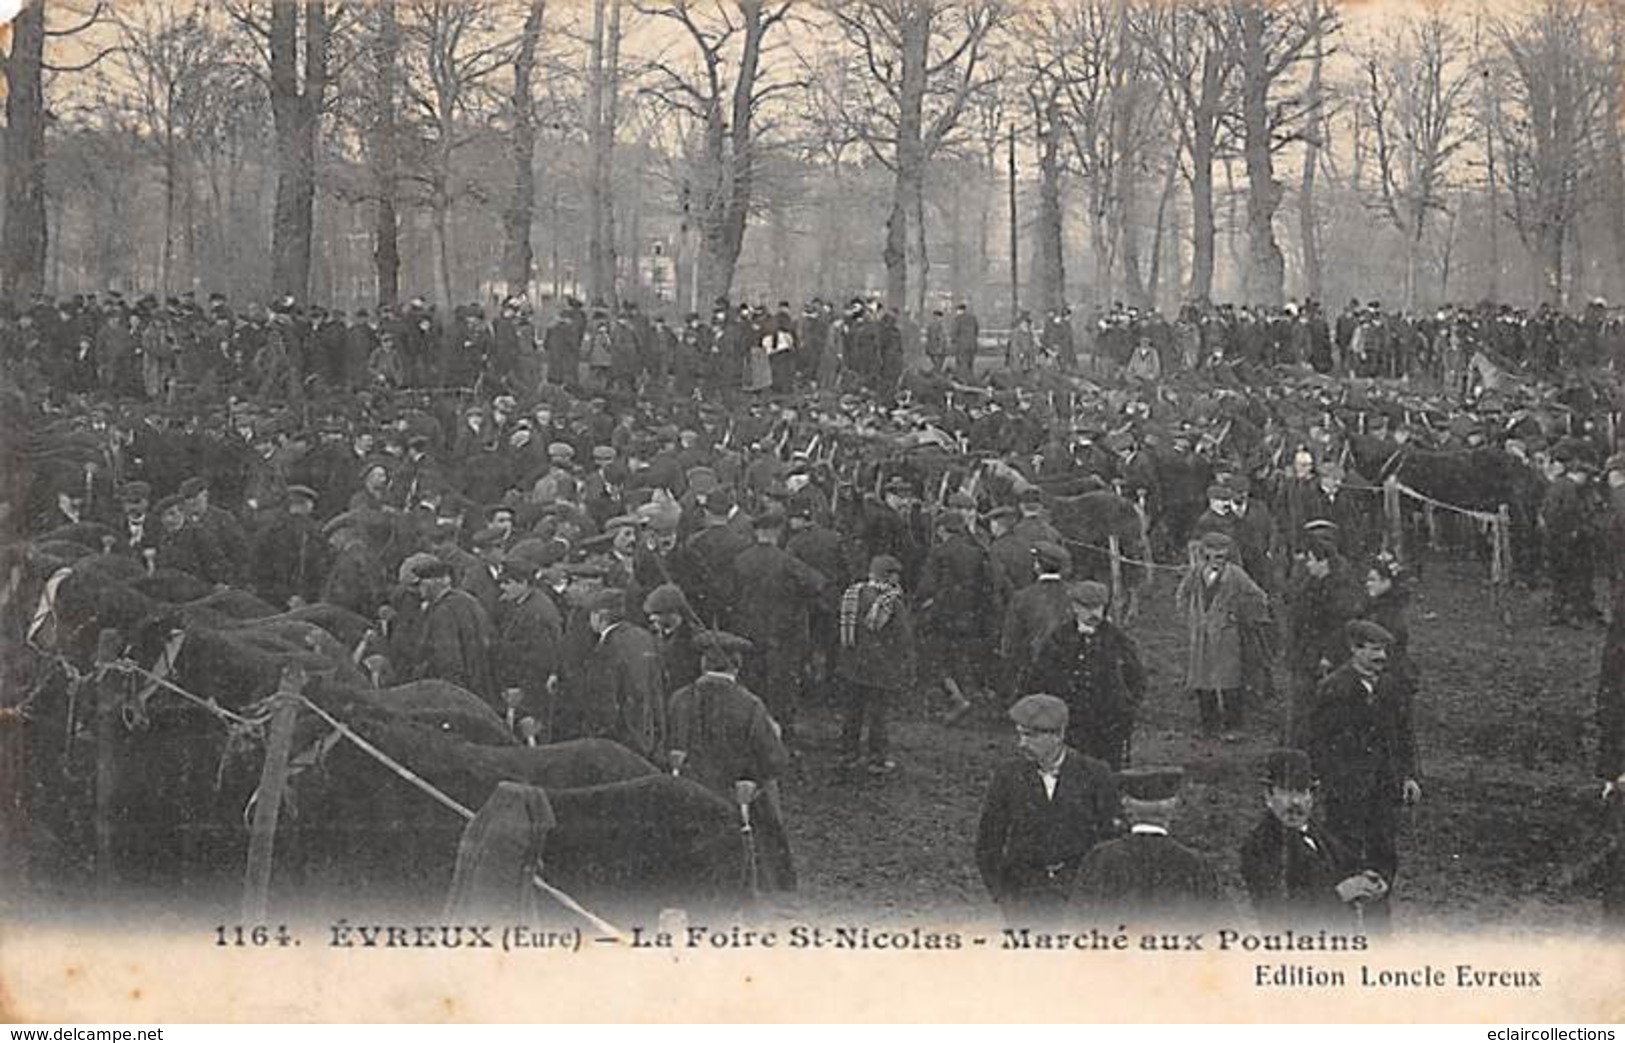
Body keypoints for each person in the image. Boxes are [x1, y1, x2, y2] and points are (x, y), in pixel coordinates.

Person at [1304, 619, 1421, 928]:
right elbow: (1319, 743)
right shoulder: (1334, 689)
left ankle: (1378, 917)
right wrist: (1328, 780)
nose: (1381, 657)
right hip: (1346, 790)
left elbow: (1405, 736)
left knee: (1384, 850)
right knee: (1345, 850)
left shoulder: (1391, 688)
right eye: (1373, 650)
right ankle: (1345, 918)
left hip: (1384, 788)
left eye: (1383, 650)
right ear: (1354, 650)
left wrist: (1409, 776)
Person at [974, 694, 1120, 926]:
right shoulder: (1007, 776)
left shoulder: (1095, 774)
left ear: (1058, 736)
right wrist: (1003, 895)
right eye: (1020, 734)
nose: (1022, 743)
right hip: (1023, 897)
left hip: (1079, 898)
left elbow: (1112, 839)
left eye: (1031, 736)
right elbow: (988, 843)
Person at [667, 629, 795, 891]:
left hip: (688, 799)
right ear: (738, 665)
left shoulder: (679, 699)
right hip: (733, 805)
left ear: (703, 664)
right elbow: (774, 761)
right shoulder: (750, 705)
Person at [1239, 748, 1388, 928]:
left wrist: (1368, 876)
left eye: (1302, 792)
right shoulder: (1259, 846)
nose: (1295, 802)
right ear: (1268, 796)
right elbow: (1277, 911)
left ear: (1312, 797)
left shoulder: (1317, 832)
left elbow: (1348, 862)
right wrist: (1339, 894)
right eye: (1286, 791)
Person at [1072, 767, 1222, 924]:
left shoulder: (1100, 859)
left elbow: (1076, 924)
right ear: (1172, 809)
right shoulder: (1195, 865)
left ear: (1127, 807)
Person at [730, 506, 827, 743]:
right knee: (781, 694)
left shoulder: (741, 561)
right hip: (781, 639)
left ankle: (749, 738)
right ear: (777, 532)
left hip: (748, 638)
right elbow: (817, 583)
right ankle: (780, 740)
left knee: (752, 688)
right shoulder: (787, 562)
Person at [1026, 580, 1145, 769]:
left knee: (1107, 771)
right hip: (1071, 722)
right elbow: (1040, 677)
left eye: (1098, 607)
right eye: (1087, 608)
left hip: (1108, 723)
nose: (1094, 614)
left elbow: (1136, 679)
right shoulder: (1059, 638)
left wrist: (1127, 709)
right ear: (1075, 607)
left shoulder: (1117, 639)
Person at [1176, 531, 1270, 740]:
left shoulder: (1235, 575)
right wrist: (1190, 619)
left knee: (1230, 682)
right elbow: (1182, 594)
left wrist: (1236, 614)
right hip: (1201, 637)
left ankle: (1233, 727)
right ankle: (1209, 727)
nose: (1215, 562)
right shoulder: (1196, 573)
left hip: (1227, 636)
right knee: (1203, 681)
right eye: (1210, 556)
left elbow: (1258, 596)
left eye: (1220, 557)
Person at [835, 554, 917, 776]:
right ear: (890, 576)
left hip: (852, 663)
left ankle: (848, 753)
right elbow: (904, 638)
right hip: (881, 667)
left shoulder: (852, 594)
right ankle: (876, 758)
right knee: (878, 714)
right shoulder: (892, 602)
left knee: (853, 710)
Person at [414, 559, 497, 703]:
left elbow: (448, 660)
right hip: (480, 688)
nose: (418, 589)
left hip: (455, 692)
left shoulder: (442, 612)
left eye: (421, 583)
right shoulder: (469, 602)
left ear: (435, 583)